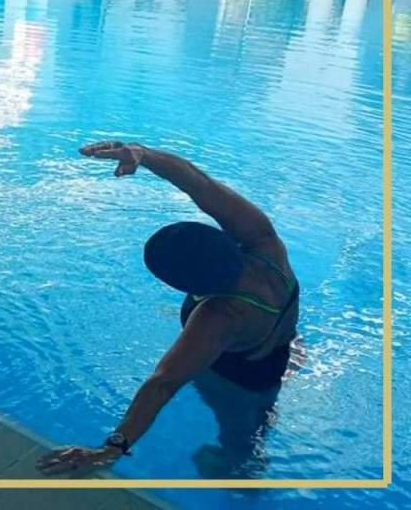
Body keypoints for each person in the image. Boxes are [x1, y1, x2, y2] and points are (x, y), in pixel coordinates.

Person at [37, 140, 300, 478]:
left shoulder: (217, 320)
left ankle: (242, 473)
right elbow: (197, 182)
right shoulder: (263, 239)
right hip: (276, 339)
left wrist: (110, 449)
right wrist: (143, 155)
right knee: (260, 404)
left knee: (239, 434)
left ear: (191, 288)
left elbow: (162, 384)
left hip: (239, 376)